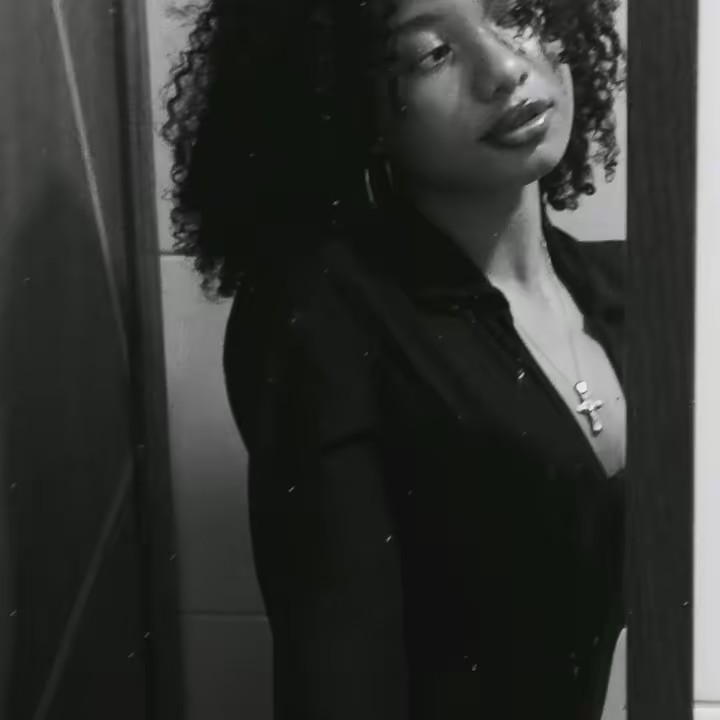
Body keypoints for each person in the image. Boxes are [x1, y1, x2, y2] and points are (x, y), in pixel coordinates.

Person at [163, 0, 627, 717]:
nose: (505, 67)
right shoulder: (325, 317)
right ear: (353, 103)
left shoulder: (631, 289)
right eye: (432, 53)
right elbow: (340, 672)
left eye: (514, 9)